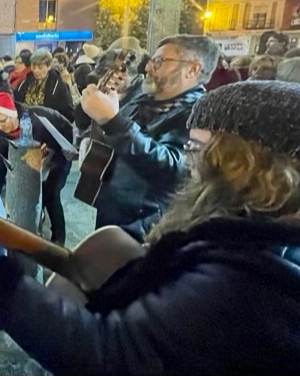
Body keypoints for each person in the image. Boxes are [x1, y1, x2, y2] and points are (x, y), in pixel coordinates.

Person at [0, 81, 300, 375]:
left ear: (247, 166)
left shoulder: (257, 281)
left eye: (196, 148)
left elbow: (108, 355)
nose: (190, 164)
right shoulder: (270, 234)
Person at [80, 35, 219, 240]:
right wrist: (110, 102)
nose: (148, 68)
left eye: (159, 61)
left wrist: (114, 121)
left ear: (192, 69)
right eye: (151, 60)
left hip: (147, 228)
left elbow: (174, 168)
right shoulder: (143, 101)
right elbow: (110, 139)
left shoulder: (200, 114)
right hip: (113, 214)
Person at [0, 91, 73, 246]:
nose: (0, 126)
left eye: (2, 121)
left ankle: (59, 240)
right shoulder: (2, 132)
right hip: (37, 156)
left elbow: (61, 140)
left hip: (60, 153)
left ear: (13, 115)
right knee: (31, 193)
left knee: (51, 194)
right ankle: (34, 227)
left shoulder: (37, 122)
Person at [13, 48, 73, 121]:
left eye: (40, 67)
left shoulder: (59, 85)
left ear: (49, 66)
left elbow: (69, 114)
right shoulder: (24, 83)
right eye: (33, 67)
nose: (36, 71)